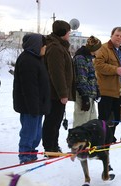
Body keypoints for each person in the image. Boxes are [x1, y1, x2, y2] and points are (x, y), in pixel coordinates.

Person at [13, 33, 50, 164]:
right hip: (30, 106)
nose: (45, 48)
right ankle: (25, 155)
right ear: (37, 46)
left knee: (36, 133)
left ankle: (32, 153)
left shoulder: (36, 59)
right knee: (29, 132)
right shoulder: (27, 60)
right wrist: (34, 107)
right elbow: (29, 88)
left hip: (37, 105)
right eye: (44, 46)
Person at [43, 20, 75, 155]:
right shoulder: (55, 47)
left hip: (57, 93)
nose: (70, 34)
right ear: (63, 32)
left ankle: (53, 146)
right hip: (54, 93)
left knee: (56, 120)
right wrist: (63, 93)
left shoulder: (59, 46)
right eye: (68, 31)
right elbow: (57, 73)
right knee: (52, 121)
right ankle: (50, 148)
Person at [94, 27, 121, 143]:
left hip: (120, 90)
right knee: (104, 117)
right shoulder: (104, 48)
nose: (119, 38)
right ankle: (101, 139)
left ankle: (110, 138)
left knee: (115, 117)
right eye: (117, 35)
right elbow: (98, 65)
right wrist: (115, 70)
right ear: (111, 35)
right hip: (106, 90)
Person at [73, 35, 102, 128]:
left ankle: (90, 142)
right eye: (99, 49)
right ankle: (76, 140)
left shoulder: (89, 58)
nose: (100, 51)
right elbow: (81, 79)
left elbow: (91, 77)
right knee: (82, 122)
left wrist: (96, 90)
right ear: (94, 49)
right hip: (83, 96)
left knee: (91, 123)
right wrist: (84, 97)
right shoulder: (81, 58)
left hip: (90, 95)